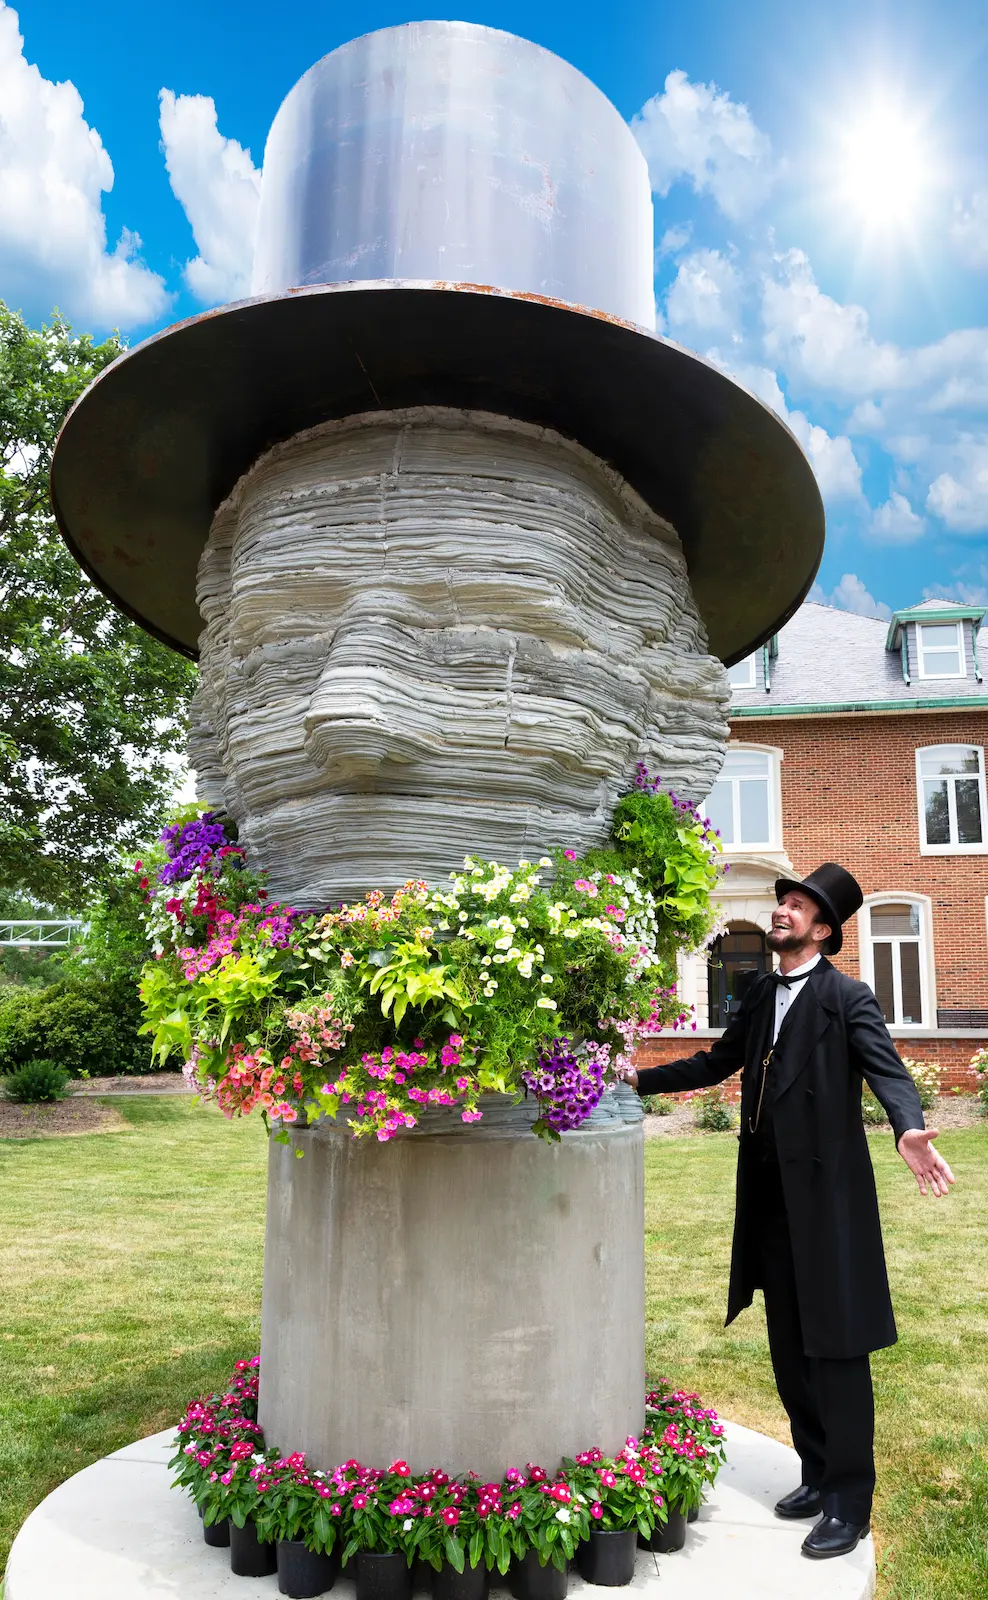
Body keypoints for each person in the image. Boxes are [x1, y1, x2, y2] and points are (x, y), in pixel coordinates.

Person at [626, 863, 954, 1560]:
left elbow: (888, 1071)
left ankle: (848, 1500)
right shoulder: (760, 991)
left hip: (828, 1203)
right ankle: (815, 1470)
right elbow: (717, 1064)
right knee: (788, 1347)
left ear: (824, 929)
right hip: (771, 1199)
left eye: (798, 905)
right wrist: (638, 1078)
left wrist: (907, 1127)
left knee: (836, 1349)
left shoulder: (847, 997)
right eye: (783, 902)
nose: (783, 911)